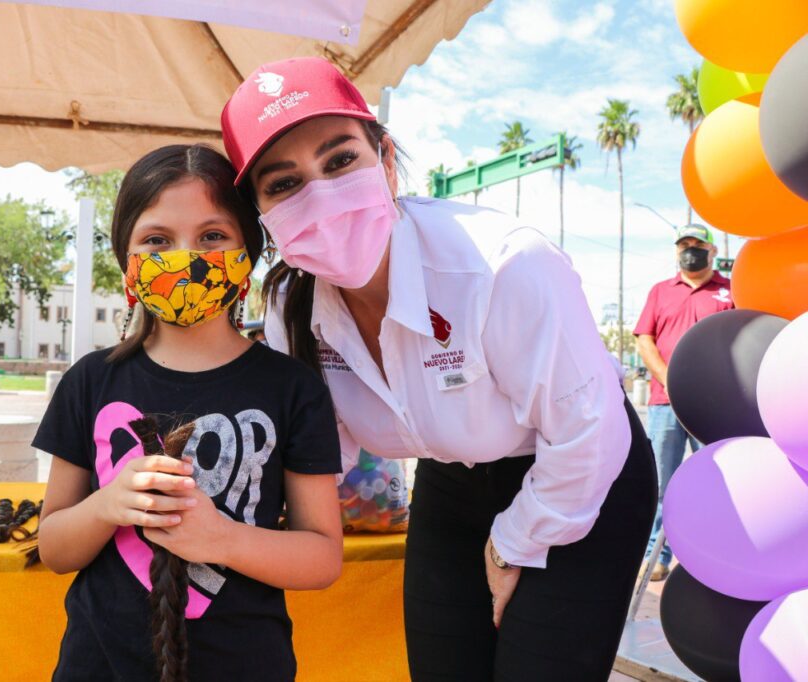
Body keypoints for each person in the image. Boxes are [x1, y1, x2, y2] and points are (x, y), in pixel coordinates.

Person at [221, 57, 658, 681]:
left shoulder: (502, 267)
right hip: (450, 485)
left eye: (340, 160)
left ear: (387, 161)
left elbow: (592, 432)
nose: (320, 195)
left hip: (581, 472)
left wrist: (513, 548)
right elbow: (317, 450)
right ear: (260, 216)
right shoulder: (291, 306)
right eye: (284, 183)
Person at [33, 144, 344, 682]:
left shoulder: (293, 388)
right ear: (126, 260)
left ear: (248, 253)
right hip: (96, 665)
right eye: (157, 240)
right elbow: (54, 548)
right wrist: (109, 504)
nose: (186, 257)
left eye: (212, 236)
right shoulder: (90, 381)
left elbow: (322, 558)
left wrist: (222, 538)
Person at [634, 224, 733, 581]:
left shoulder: (730, 291)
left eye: (697, 244)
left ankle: (718, 554)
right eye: (684, 244)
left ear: (712, 250)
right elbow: (644, 340)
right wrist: (670, 380)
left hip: (715, 406)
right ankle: (656, 556)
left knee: (721, 483)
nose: (690, 250)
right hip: (665, 403)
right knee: (662, 482)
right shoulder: (661, 292)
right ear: (677, 251)